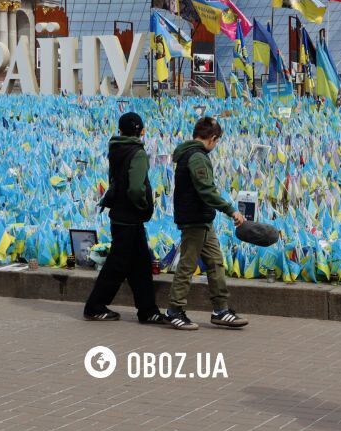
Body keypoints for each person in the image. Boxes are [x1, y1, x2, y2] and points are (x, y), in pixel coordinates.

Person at [83, 112, 167, 325]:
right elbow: (136, 188)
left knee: (140, 264)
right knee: (117, 265)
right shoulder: (137, 153)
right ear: (141, 131)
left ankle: (148, 310)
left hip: (120, 215)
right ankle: (94, 306)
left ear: (120, 130)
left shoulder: (116, 148)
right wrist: (143, 206)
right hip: (130, 216)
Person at [166, 117, 248, 330]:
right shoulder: (197, 157)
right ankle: (174, 310)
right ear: (212, 138)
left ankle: (221, 309)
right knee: (187, 264)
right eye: (217, 141)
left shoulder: (189, 154)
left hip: (202, 218)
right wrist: (231, 210)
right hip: (195, 218)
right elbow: (206, 190)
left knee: (215, 262)